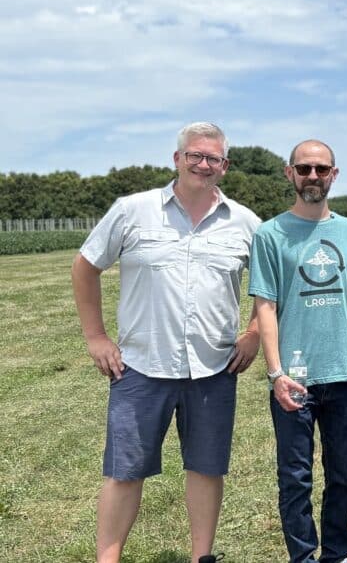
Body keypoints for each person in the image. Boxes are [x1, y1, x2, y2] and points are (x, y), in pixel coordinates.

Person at [72, 122, 261, 563]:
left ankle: (202, 557)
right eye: (195, 155)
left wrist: (252, 333)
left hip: (214, 367)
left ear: (225, 167)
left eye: (213, 158)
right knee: (124, 471)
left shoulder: (246, 222)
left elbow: (273, 286)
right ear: (177, 159)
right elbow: (85, 268)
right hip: (140, 365)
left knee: (207, 467)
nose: (203, 164)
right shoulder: (132, 210)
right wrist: (96, 336)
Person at [249, 139, 347, 563]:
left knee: (342, 476)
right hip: (294, 378)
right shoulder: (269, 235)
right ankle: (302, 556)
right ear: (290, 173)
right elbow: (265, 305)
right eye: (304, 169)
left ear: (334, 175)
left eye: (321, 169)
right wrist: (275, 372)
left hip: (340, 372)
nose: (313, 177)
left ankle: (338, 552)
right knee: (296, 478)